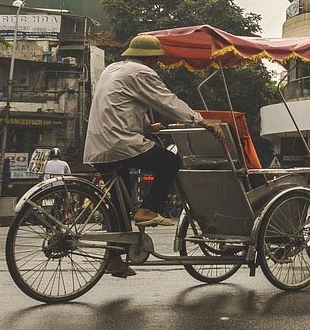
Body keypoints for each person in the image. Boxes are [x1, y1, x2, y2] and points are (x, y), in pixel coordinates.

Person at [83, 34, 225, 278]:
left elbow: (121, 105)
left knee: (119, 204)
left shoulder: (113, 69)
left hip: (98, 146)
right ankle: (148, 210)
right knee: (170, 162)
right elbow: (167, 101)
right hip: (120, 143)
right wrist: (200, 120)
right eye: (157, 60)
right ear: (151, 58)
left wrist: (148, 126)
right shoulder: (142, 72)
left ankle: (114, 259)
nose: (158, 64)